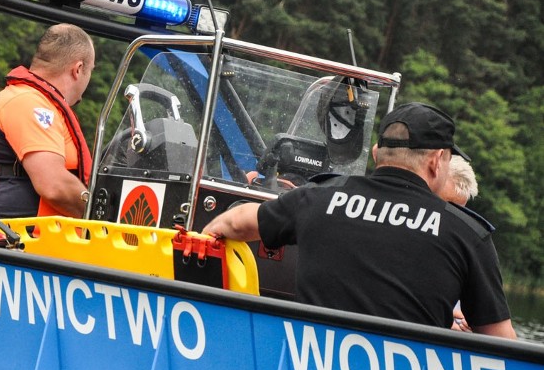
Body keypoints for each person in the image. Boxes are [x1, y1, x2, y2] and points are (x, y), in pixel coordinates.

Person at [202, 102, 516, 339]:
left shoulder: (318, 198)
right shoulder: (468, 234)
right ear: (436, 162)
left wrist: (203, 243)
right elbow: (503, 347)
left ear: (378, 152)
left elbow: (232, 224)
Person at [0, 23, 95, 219]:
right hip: (9, 242)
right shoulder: (28, 102)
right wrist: (102, 214)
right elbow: (53, 185)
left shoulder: (39, 103)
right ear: (78, 69)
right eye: (90, 71)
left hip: (40, 242)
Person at [438, 155, 480, 332]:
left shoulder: (464, 247)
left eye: (458, 212)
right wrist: (447, 323)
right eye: (445, 205)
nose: (449, 218)